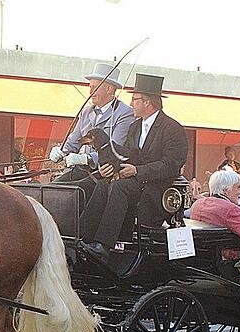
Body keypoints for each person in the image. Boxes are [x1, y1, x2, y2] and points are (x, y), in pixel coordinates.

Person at [80, 73, 189, 261]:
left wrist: (138, 170)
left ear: (147, 102)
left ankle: (105, 246)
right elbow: (128, 154)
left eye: (135, 99)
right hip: (136, 182)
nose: (131, 104)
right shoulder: (135, 127)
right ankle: (84, 237)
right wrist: (113, 168)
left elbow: (172, 164)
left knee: (119, 187)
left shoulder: (172, 128)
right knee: (103, 183)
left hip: (157, 190)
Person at [50, 63, 135, 181]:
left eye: (94, 87)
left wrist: (88, 158)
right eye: (90, 87)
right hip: (81, 170)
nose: (90, 92)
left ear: (109, 89)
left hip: (105, 173)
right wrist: (61, 151)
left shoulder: (125, 113)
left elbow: (115, 149)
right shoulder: (86, 112)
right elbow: (74, 140)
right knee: (53, 189)